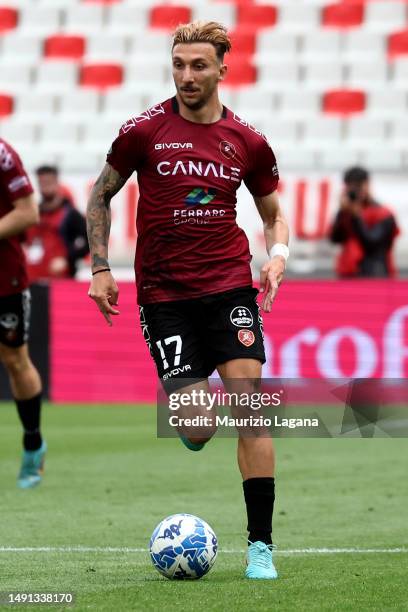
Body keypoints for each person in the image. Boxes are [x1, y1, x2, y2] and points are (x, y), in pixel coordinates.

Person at [86, 21, 289, 580]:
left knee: (251, 405)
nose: (187, 76)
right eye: (178, 64)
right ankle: (196, 413)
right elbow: (101, 193)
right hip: (164, 295)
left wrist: (278, 256)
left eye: (199, 65)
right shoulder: (143, 131)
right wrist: (101, 266)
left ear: (223, 67)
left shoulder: (247, 140)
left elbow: (273, 213)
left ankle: (260, 548)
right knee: (198, 427)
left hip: (228, 284)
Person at [0, 138, 46, 488]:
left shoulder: (2, 152)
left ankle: (33, 443)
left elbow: (28, 211)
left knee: (15, 360)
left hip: (4, 277)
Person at [330, 166, 399, 278]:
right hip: (348, 273)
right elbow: (334, 238)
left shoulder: (383, 213)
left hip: (375, 273)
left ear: (367, 185)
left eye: (358, 186)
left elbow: (372, 242)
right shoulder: (346, 212)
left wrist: (356, 216)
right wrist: (342, 213)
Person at [25, 165, 89, 283]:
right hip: (32, 281)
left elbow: (90, 241)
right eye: (42, 183)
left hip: (60, 282)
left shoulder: (70, 214)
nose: (45, 186)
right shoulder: (33, 214)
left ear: (57, 182)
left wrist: (67, 259)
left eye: (48, 182)